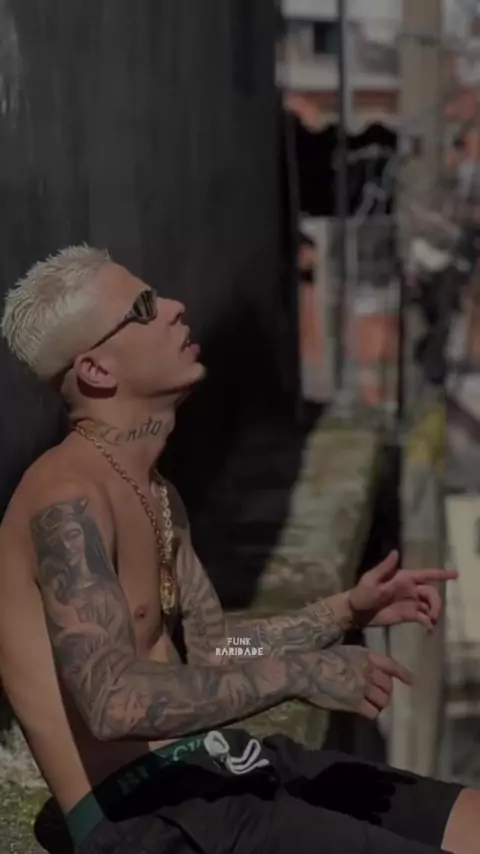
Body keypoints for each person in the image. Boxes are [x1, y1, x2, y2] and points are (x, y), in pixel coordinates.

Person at [0, 246, 474, 854]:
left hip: (215, 767)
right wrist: (298, 673)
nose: (174, 307)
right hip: (146, 814)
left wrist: (338, 614)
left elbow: (215, 650)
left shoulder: (156, 493)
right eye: (143, 308)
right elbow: (113, 703)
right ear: (96, 369)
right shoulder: (65, 501)